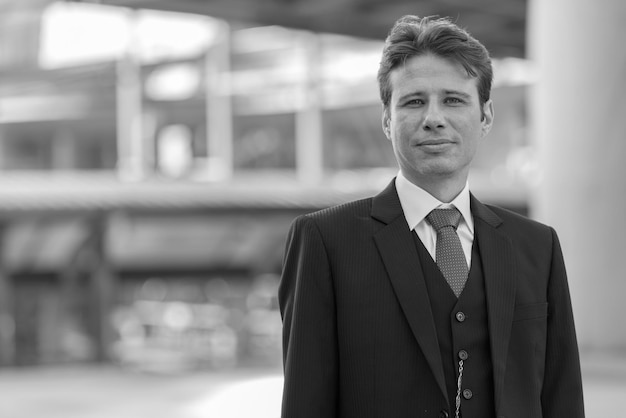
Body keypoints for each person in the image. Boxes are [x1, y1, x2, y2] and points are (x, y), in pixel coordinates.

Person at [278, 15, 584, 418]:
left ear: (486, 116)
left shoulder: (537, 246)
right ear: (387, 119)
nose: (433, 117)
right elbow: (305, 404)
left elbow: (562, 399)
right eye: (414, 101)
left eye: (453, 99)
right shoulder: (324, 240)